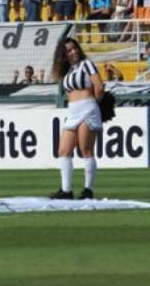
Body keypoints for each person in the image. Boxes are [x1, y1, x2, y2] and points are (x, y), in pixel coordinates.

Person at [49, 37, 104, 200]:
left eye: (75, 48)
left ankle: (88, 189)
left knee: (85, 149)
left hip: (88, 107)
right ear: (64, 55)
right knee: (63, 150)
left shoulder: (86, 64)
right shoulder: (67, 71)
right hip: (73, 110)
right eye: (69, 50)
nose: (74, 52)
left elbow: (99, 86)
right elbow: (68, 93)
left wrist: (93, 104)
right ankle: (66, 190)